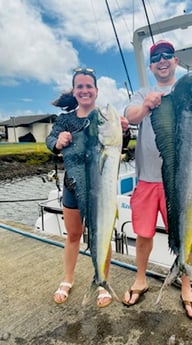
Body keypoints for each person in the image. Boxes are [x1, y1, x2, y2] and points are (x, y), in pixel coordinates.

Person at [122, 40, 192, 319]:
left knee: (183, 236)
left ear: (176, 61)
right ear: (151, 65)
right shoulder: (142, 92)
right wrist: (146, 104)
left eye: (167, 56)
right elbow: (131, 117)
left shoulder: (188, 91)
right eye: (156, 57)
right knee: (144, 234)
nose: (162, 61)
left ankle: (186, 287)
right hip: (147, 180)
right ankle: (141, 279)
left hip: (179, 181)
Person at [46, 67, 128, 307]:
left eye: (88, 86)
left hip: (100, 190)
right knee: (73, 235)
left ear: (96, 91)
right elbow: (50, 140)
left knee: (102, 236)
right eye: (79, 86)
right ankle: (68, 279)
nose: (84, 90)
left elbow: (120, 147)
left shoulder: (103, 119)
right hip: (72, 187)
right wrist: (57, 141)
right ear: (74, 91)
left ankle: (102, 282)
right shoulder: (65, 120)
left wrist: (124, 130)